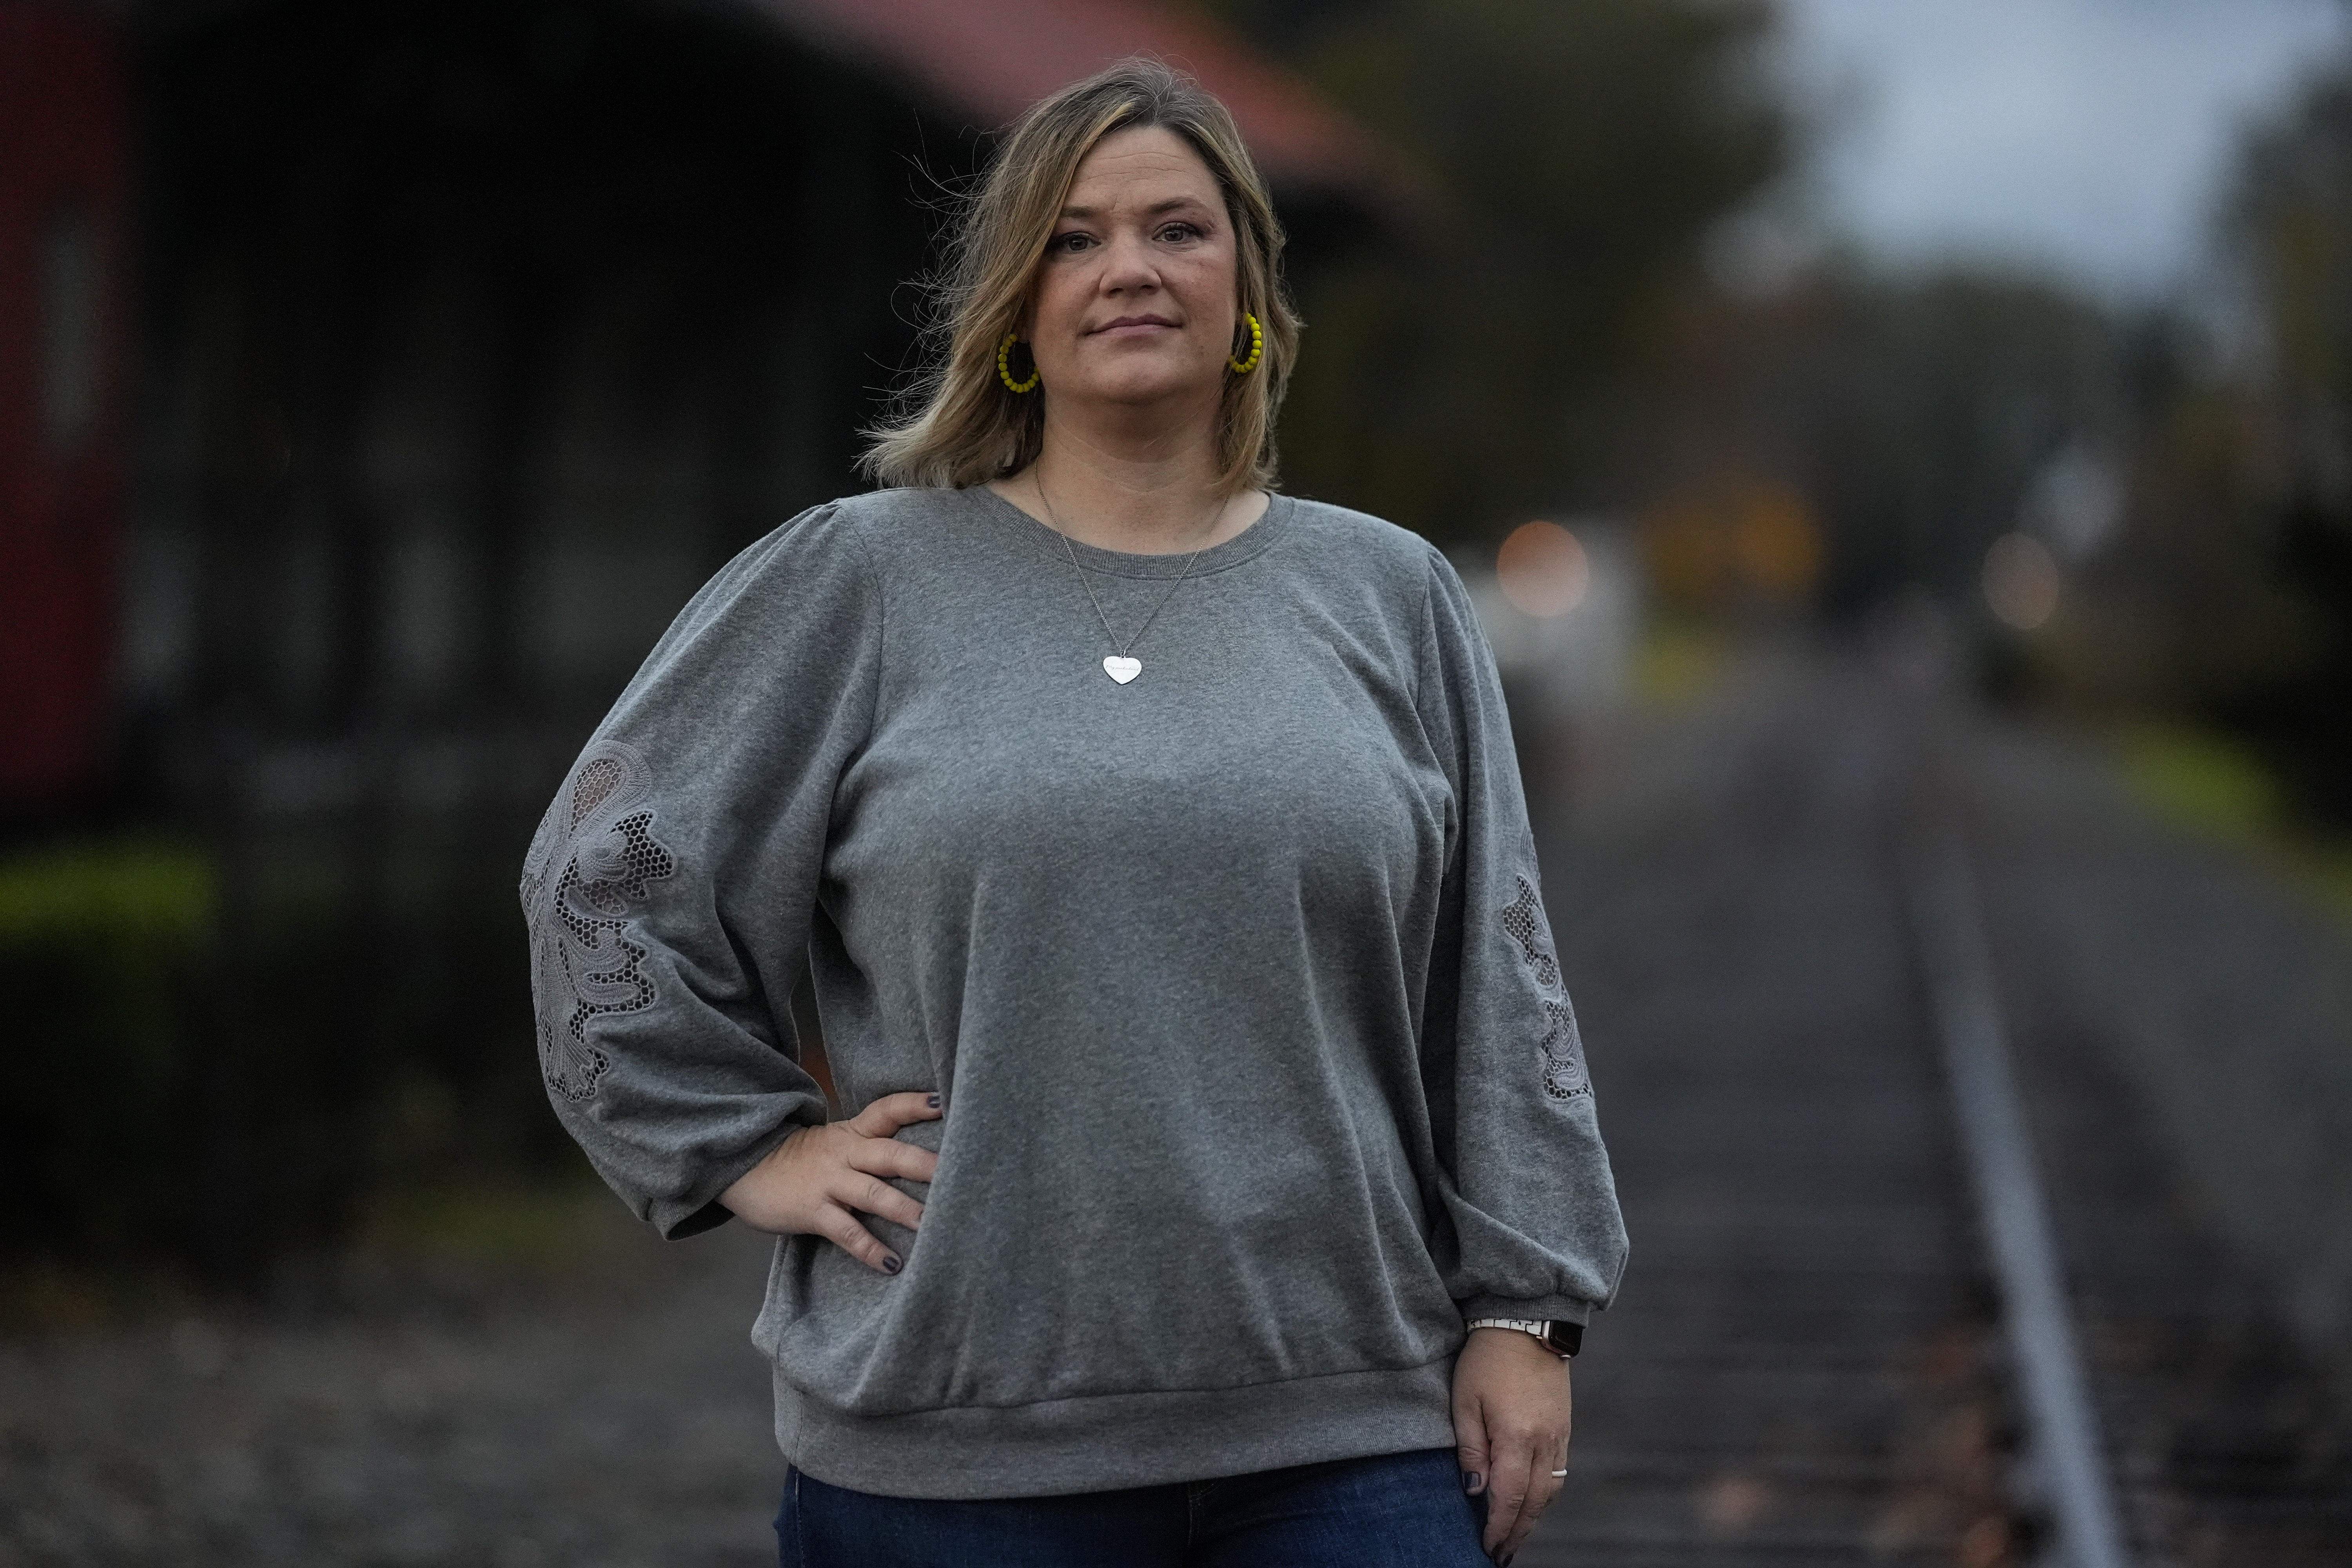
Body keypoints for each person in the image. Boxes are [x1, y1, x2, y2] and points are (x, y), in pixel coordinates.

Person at [520, 58, 1626, 1568]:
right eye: (1074, 235)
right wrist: (739, 1147)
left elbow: (1499, 979)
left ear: (1247, 285)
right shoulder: (861, 579)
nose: (1128, 269)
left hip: (1346, 1432)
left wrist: (1526, 1309)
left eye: (1177, 229)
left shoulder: (1388, 595)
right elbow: (604, 873)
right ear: (1016, 306)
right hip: (950, 1451)